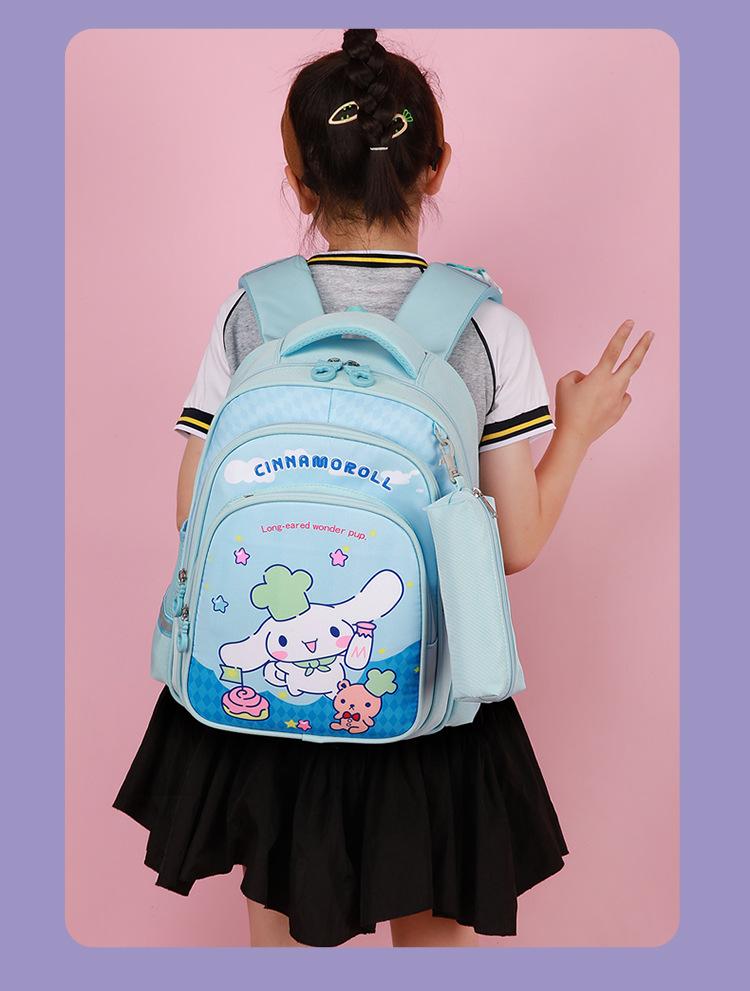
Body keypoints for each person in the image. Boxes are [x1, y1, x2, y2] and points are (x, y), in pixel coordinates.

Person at [113, 28, 654, 948]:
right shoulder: (485, 328)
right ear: (435, 167)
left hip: (262, 704)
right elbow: (512, 545)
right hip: (426, 692)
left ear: (297, 177)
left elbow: (191, 513)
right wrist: (577, 432)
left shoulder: (251, 312)